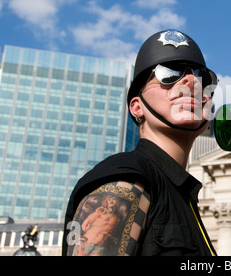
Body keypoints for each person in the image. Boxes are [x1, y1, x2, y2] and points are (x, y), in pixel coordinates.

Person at [63, 29, 218, 256]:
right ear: (137, 107)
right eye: (168, 73)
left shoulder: (182, 198)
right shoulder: (126, 177)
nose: (192, 81)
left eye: (203, 78)